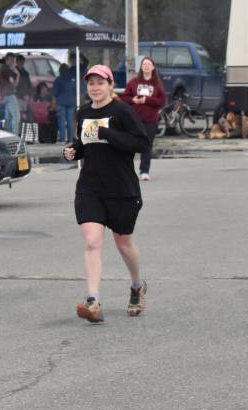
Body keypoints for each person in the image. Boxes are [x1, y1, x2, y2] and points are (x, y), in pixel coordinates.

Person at [62, 65, 150, 323]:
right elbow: (85, 144)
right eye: (91, 83)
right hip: (90, 187)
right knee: (92, 242)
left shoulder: (123, 111)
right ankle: (93, 301)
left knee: (123, 243)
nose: (95, 88)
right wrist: (73, 151)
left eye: (100, 83)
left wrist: (107, 133)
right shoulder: (84, 112)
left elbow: (141, 144)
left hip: (121, 188)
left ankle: (136, 286)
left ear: (111, 85)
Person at [120, 57, 166, 181]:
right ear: (141, 67)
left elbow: (161, 101)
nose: (146, 66)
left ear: (153, 67)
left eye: (149, 64)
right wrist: (133, 99)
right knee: (130, 144)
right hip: (134, 119)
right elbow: (123, 97)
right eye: (144, 64)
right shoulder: (134, 82)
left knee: (146, 145)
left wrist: (147, 100)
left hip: (150, 120)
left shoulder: (157, 84)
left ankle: (144, 171)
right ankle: (126, 170)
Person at [52, 63, 77, 144]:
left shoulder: (58, 79)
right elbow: (76, 90)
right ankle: (70, 140)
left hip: (61, 102)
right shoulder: (73, 79)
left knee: (62, 121)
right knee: (70, 121)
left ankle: (62, 140)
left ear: (60, 71)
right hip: (71, 102)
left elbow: (55, 92)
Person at [0, 53, 20, 133]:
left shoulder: (4, 68)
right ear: (9, 59)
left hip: (5, 96)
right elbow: (14, 84)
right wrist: (18, 74)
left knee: (8, 117)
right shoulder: (6, 69)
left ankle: (8, 136)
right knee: (16, 116)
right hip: (10, 95)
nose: (14, 63)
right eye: (13, 60)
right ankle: (14, 137)